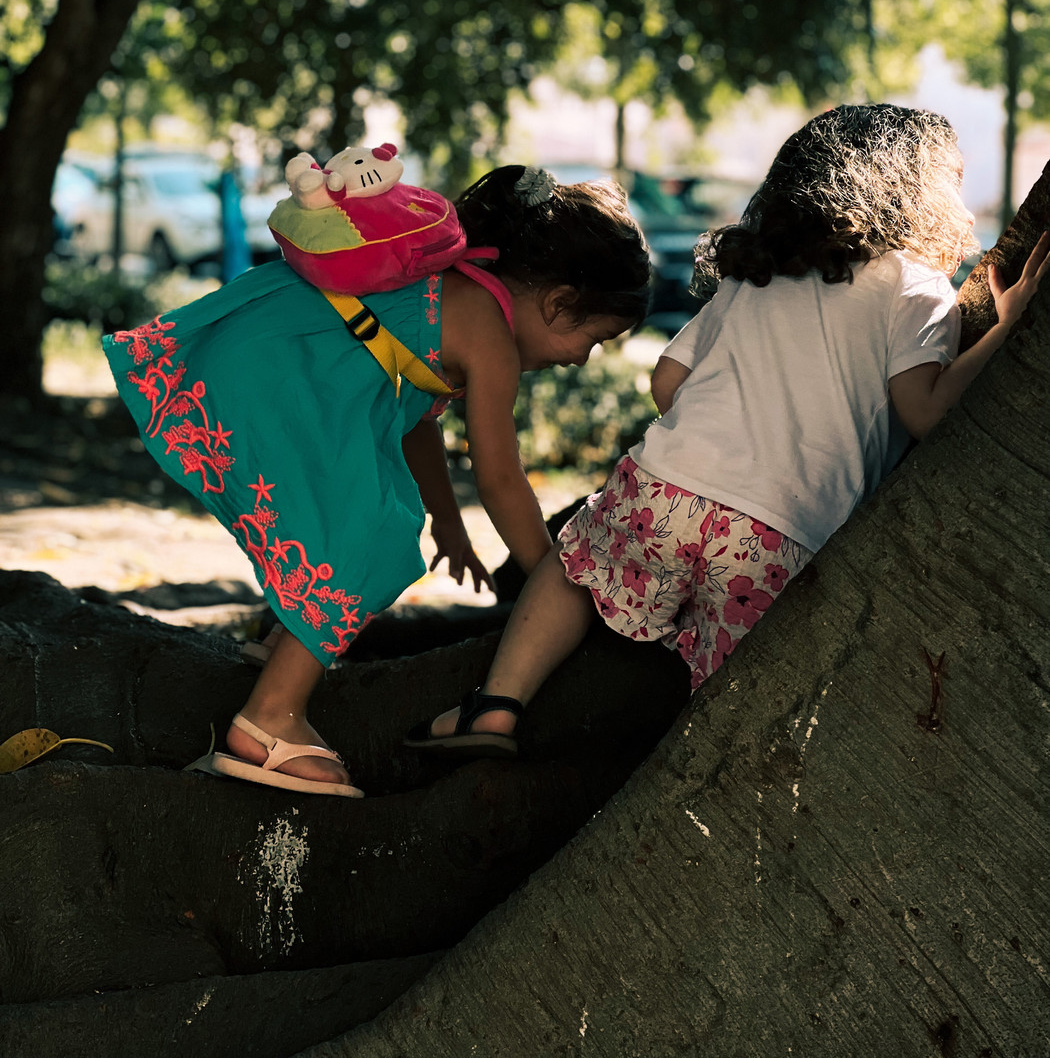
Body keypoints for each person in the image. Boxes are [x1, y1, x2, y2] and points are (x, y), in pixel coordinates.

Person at [407, 104, 1050, 756]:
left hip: (669, 490)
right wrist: (1003, 329)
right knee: (735, 681)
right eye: (957, 186)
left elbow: (666, 383)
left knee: (573, 568)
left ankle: (495, 707)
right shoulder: (916, 288)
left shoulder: (758, 278)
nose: (967, 215)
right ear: (922, 194)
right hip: (782, 532)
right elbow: (926, 409)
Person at [104, 164, 650, 797]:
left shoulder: (450, 291)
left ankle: (287, 636)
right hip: (284, 381)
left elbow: (419, 427)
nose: (584, 357)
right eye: (595, 337)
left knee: (367, 517)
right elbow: (501, 478)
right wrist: (551, 581)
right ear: (559, 302)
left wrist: (447, 523)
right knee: (372, 541)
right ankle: (268, 720)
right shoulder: (491, 337)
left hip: (270, 359)